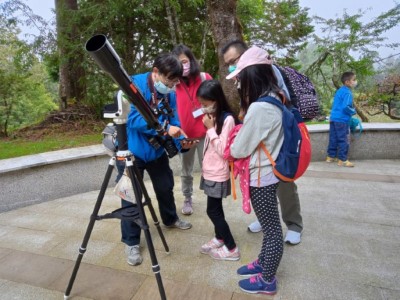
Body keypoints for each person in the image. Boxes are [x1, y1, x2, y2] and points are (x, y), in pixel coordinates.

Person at [222, 40, 303, 244]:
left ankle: (293, 224)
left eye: (234, 61)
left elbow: (284, 100)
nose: (232, 66)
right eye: (228, 63)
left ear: (245, 55)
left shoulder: (267, 71)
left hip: (278, 131)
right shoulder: (244, 77)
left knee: (284, 178)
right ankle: (266, 219)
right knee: (264, 183)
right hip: (261, 131)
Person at [121, 53, 193, 266]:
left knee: (165, 186)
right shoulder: (134, 85)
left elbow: (174, 117)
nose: (173, 85)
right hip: (132, 150)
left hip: (157, 151)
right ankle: (131, 241)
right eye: (170, 79)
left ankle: (170, 219)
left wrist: (181, 141)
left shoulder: (169, 91)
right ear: (156, 72)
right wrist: (164, 128)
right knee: (130, 195)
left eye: (176, 80)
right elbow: (133, 118)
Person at [227, 46, 284, 295]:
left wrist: (235, 136)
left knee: (272, 231)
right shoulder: (275, 97)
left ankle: (267, 279)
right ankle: (262, 263)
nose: (238, 83)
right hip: (268, 174)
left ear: (253, 77)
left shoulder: (260, 108)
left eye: (240, 77)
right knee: (268, 224)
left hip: (261, 177)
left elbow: (239, 149)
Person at [197, 79, 240, 261]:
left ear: (216, 100)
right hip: (209, 171)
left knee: (212, 211)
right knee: (216, 209)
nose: (203, 108)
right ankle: (219, 237)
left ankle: (231, 248)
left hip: (218, 173)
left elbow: (224, 151)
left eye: (206, 104)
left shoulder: (227, 119)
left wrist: (209, 129)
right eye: (201, 104)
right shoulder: (214, 117)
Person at [171, 44, 213, 215]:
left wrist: (208, 111)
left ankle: (213, 197)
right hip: (185, 137)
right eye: (179, 63)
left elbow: (216, 101)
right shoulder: (173, 84)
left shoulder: (204, 78)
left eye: (185, 61)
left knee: (210, 167)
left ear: (191, 60)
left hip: (205, 133)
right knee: (186, 171)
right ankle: (187, 198)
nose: (183, 66)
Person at [326, 71, 357, 167]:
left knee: (333, 138)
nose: (355, 82)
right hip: (342, 120)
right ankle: (342, 159)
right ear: (347, 82)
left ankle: (330, 156)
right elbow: (346, 107)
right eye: (354, 80)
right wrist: (353, 111)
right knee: (343, 139)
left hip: (334, 118)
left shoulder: (339, 90)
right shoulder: (348, 93)